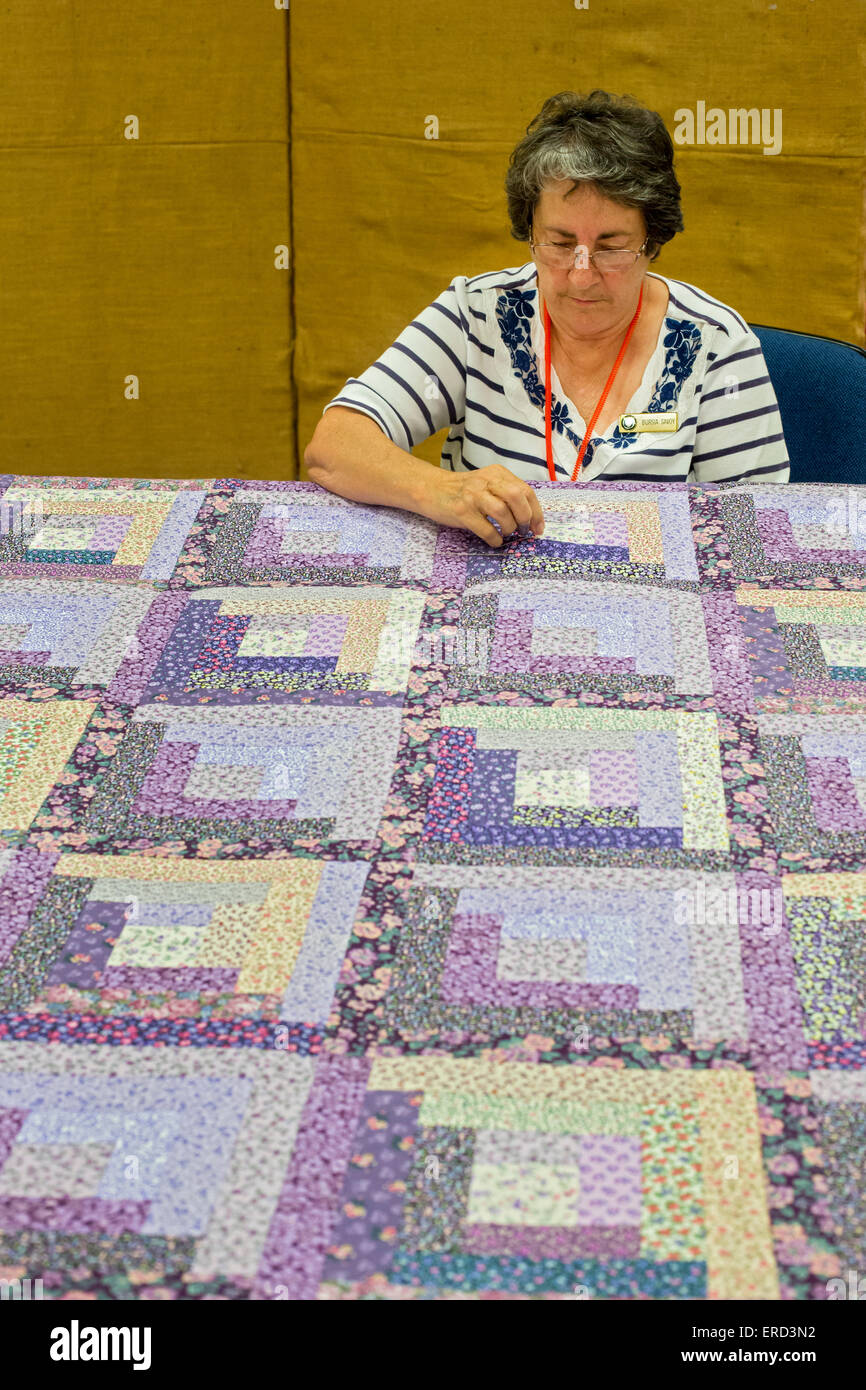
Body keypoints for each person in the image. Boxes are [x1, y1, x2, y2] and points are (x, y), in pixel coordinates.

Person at [305, 89, 789, 549]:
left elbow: (751, 534)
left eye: (611, 248)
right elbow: (335, 446)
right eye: (559, 244)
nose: (581, 276)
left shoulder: (716, 345)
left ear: (652, 242)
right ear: (529, 232)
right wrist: (439, 489)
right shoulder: (478, 315)